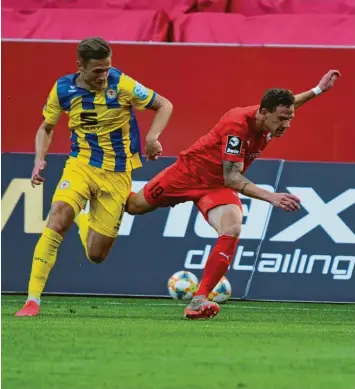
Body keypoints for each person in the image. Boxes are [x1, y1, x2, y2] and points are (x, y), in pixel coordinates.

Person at [126, 69, 340, 320]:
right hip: (188, 174)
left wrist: (317, 90)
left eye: (289, 118)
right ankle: (102, 187)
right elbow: (233, 177)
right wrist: (270, 197)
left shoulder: (271, 118)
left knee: (232, 228)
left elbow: (291, 105)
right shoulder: (237, 125)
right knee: (134, 206)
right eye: (282, 119)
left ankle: (199, 300)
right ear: (263, 112)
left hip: (216, 187)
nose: (286, 125)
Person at [15, 37, 173, 317]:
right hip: (81, 165)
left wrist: (152, 137)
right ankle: (32, 300)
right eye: (98, 71)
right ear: (80, 67)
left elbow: (165, 104)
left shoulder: (121, 84)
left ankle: (83, 217)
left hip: (117, 173)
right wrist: (39, 159)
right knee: (58, 217)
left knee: (96, 255)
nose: (104, 76)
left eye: (107, 68)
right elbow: (46, 127)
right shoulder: (63, 89)